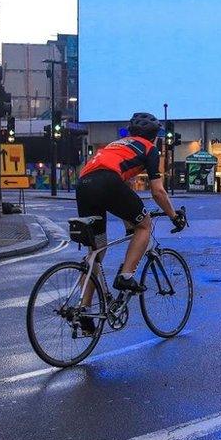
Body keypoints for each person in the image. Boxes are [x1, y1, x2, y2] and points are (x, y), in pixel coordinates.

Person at [76, 113, 186, 330]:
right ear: (155, 137)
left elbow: (120, 190)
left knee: (95, 252)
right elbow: (158, 192)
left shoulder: (116, 145)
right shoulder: (149, 148)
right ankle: (126, 275)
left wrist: (129, 222)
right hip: (107, 182)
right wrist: (174, 216)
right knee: (145, 225)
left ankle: (84, 311)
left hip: (83, 184)